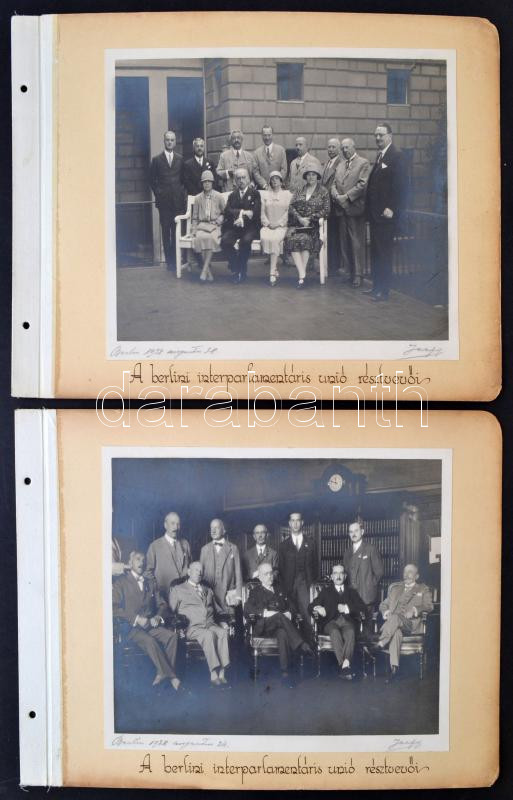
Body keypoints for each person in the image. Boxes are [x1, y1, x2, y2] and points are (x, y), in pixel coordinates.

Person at [112, 551, 182, 691]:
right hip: (131, 628)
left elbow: (162, 604)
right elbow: (113, 608)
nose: (141, 562)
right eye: (137, 559)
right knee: (150, 641)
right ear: (130, 563)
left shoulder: (150, 582)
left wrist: (157, 617)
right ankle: (173, 679)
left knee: (172, 637)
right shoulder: (120, 583)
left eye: (143, 560)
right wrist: (136, 619)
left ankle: (162, 673)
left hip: (150, 625)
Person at [244, 562, 313, 683]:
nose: (270, 576)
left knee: (283, 633)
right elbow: (247, 609)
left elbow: (292, 605)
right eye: (266, 574)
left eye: (271, 573)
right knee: (279, 616)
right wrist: (265, 613)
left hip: (281, 626)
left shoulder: (280, 588)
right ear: (259, 577)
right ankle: (302, 644)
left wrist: (289, 613)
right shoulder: (255, 591)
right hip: (264, 627)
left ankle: (285, 672)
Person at [170, 562, 231, 687]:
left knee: (222, 633)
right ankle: (213, 673)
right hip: (192, 627)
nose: (199, 573)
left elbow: (218, 610)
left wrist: (223, 621)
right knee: (208, 635)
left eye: (201, 570)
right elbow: (171, 613)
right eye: (196, 570)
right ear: (189, 572)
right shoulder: (178, 589)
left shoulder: (208, 590)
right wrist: (178, 627)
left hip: (210, 624)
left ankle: (222, 671)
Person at [365, 123, 405, 301]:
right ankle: (376, 287)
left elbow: (401, 186)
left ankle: (384, 290)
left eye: (381, 135)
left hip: (386, 215)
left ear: (390, 135)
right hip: (376, 215)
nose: (378, 138)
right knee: (375, 251)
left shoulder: (397, 156)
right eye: (376, 135)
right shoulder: (380, 155)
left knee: (384, 253)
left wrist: (392, 208)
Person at [376, 563, 433, 681]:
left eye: (410, 572)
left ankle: (381, 643)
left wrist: (415, 610)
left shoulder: (423, 589)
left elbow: (429, 606)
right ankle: (394, 670)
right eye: (405, 572)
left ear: (417, 576)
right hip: (394, 625)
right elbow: (383, 604)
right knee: (396, 632)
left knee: (396, 617)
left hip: (410, 625)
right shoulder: (396, 589)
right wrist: (386, 611)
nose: (406, 575)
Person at [308, 563, 367, 679]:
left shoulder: (352, 592)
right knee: (334, 632)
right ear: (332, 576)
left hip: (347, 622)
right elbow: (311, 606)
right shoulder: (326, 592)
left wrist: (347, 609)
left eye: (341, 573)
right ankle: (345, 666)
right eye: (335, 573)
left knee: (350, 632)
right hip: (330, 622)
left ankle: (344, 666)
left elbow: (362, 608)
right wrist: (318, 608)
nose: (338, 576)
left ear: (345, 576)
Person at [331, 138, 371, 288]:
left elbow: (362, 184)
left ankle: (358, 275)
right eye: (343, 148)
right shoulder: (340, 165)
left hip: (354, 209)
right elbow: (334, 184)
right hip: (341, 209)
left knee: (356, 242)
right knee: (344, 242)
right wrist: (336, 196)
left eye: (347, 147)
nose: (344, 150)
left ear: (354, 147)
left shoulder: (363, 163)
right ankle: (348, 272)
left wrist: (346, 197)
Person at [283, 167, 330, 289]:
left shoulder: (323, 191)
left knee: (305, 240)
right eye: (308, 175)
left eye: (313, 174)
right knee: (292, 240)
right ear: (305, 177)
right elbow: (291, 207)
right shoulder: (300, 190)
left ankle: (301, 277)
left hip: (313, 227)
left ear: (317, 176)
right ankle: (302, 275)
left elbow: (326, 210)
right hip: (298, 226)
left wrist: (311, 218)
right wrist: (300, 218)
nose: (311, 177)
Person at [149, 130, 186, 272]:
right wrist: (159, 193)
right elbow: (151, 180)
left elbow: (183, 179)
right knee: (166, 232)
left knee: (176, 232)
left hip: (177, 202)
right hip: (164, 203)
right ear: (164, 141)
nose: (169, 142)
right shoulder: (156, 160)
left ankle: (176, 260)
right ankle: (170, 262)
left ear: (175, 142)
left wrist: (181, 194)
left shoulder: (180, 159)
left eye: (172, 140)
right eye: (167, 140)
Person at [278, 512, 317, 642]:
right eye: (293, 521)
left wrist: (311, 585)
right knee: (290, 615)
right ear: (289, 523)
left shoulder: (311, 543)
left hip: (305, 585)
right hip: (288, 586)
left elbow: (315, 566)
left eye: (298, 520)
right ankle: (294, 646)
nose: (295, 524)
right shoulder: (283, 545)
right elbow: (281, 569)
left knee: (307, 615)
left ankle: (310, 645)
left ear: (302, 522)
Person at [220, 168, 261, 284]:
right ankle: (237, 266)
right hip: (234, 227)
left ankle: (241, 271)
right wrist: (242, 212)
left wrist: (242, 218)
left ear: (248, 179)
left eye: (243, 177)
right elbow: (227, 211)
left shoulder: (255, 194)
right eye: (238, 178)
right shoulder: (232, 195)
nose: (241, 180)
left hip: (250, 227)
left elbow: (255, 212)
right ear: (235, 181)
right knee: (224, 241)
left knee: (245, 242)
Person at [199, 518, 242, 618]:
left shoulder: (233, 548)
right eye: (211, 528)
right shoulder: (204, 549)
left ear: (224, 530)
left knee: (228, 622)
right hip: (209, 596)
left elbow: (238, 573)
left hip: (227, 595)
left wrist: (238, 596)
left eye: (217, 528)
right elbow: (200, 574)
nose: (213, 531)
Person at [343, 518, 384, 621]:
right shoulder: (347, 553)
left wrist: (369, 585)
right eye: (351, 532)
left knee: (366, 627)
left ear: (362, 532)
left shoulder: (371, 549)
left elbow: (379, 572)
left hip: (366, 597)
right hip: (351, 598)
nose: (353, 534)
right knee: (353, 626)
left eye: (356, 531)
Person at [145, 512, 191, 603]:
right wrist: (157, 593)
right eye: (172, 523)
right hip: (164, 597)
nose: (176, 527)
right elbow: (147, 573)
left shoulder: (185, 544)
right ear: (165, 525)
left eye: (178, 524)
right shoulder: (155, 546)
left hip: (184, 596)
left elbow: (189, 568)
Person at [190, 170, 226, 282]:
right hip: (202, 225)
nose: (207, 184)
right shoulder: (198, 198)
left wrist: (219, 220)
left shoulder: (218, 196)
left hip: (214, 225)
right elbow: (194, 217)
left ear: (212, 183)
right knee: (200, 238)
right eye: (204, 182)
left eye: (209, 181)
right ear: (202, 183)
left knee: (210, 238)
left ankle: (204, 270)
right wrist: (194, 230)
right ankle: (207, 272)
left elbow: (225, 213)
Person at [259, 171, 292, 286]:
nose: (274, 181)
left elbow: (288, 212)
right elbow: (262, 213)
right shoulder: (265, 195)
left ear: (281, 181)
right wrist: (268, 224)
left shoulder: (287, 195)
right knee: (266, 238)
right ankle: (274, 269)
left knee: (274, 240)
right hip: (268, 226)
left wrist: (278, 224)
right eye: (272, 179)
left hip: (281, 226)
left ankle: (272, 272)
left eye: (277, 179)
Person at [321, 138, 343, 276]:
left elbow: (335, 184)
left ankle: (335, 267)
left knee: (335, 237)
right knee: (328, 236)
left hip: (334, 205)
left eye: (333, 147)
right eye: (329, 147)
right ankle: (328, 266)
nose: (330, 149)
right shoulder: (327, 163)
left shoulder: (340, 163)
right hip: (326, 205)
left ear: (338, 149)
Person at [252, 125, 288, 189]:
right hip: (263, 188)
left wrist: (277, 183)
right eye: (265, 135)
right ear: (262, 136)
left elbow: (284, 169)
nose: (267, 138)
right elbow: (256, 172)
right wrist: (264, 185)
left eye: (269, 135)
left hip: (278, 188)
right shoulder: (257, 153)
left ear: (272, 135)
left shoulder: (281, 150)